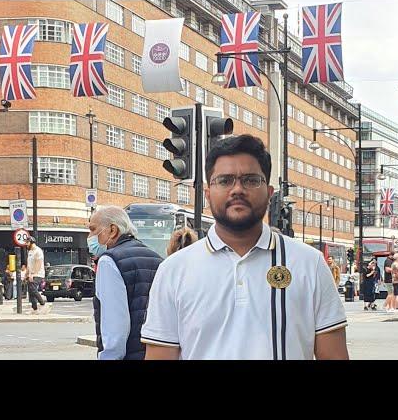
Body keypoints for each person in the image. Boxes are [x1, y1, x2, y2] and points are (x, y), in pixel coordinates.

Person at [142, 135, 349, 360]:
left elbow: (334, 355)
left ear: (269, 193)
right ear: (207, 193)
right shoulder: (174, 270)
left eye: (250, 180)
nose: (237, 189)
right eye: (224, 180)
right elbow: (160, 355)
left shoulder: (309, 263)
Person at [91, 205, 163, 360]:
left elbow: (115, 328)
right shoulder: (156, 257)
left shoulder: (109, 261)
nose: (89, 236)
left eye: (93, 229)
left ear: (112, 230)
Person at [25, 237, 47, 313]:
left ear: (31, 242)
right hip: (31, 274)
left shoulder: (38, 251)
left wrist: (33, 274)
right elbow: (29, 264)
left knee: (33, 289)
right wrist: (26, 274)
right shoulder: (30, 252)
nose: (26, 244)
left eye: (27, 242)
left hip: (38, 274)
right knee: (31, 291)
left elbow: (38, 264)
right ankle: (35, 309)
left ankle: (42, 303)